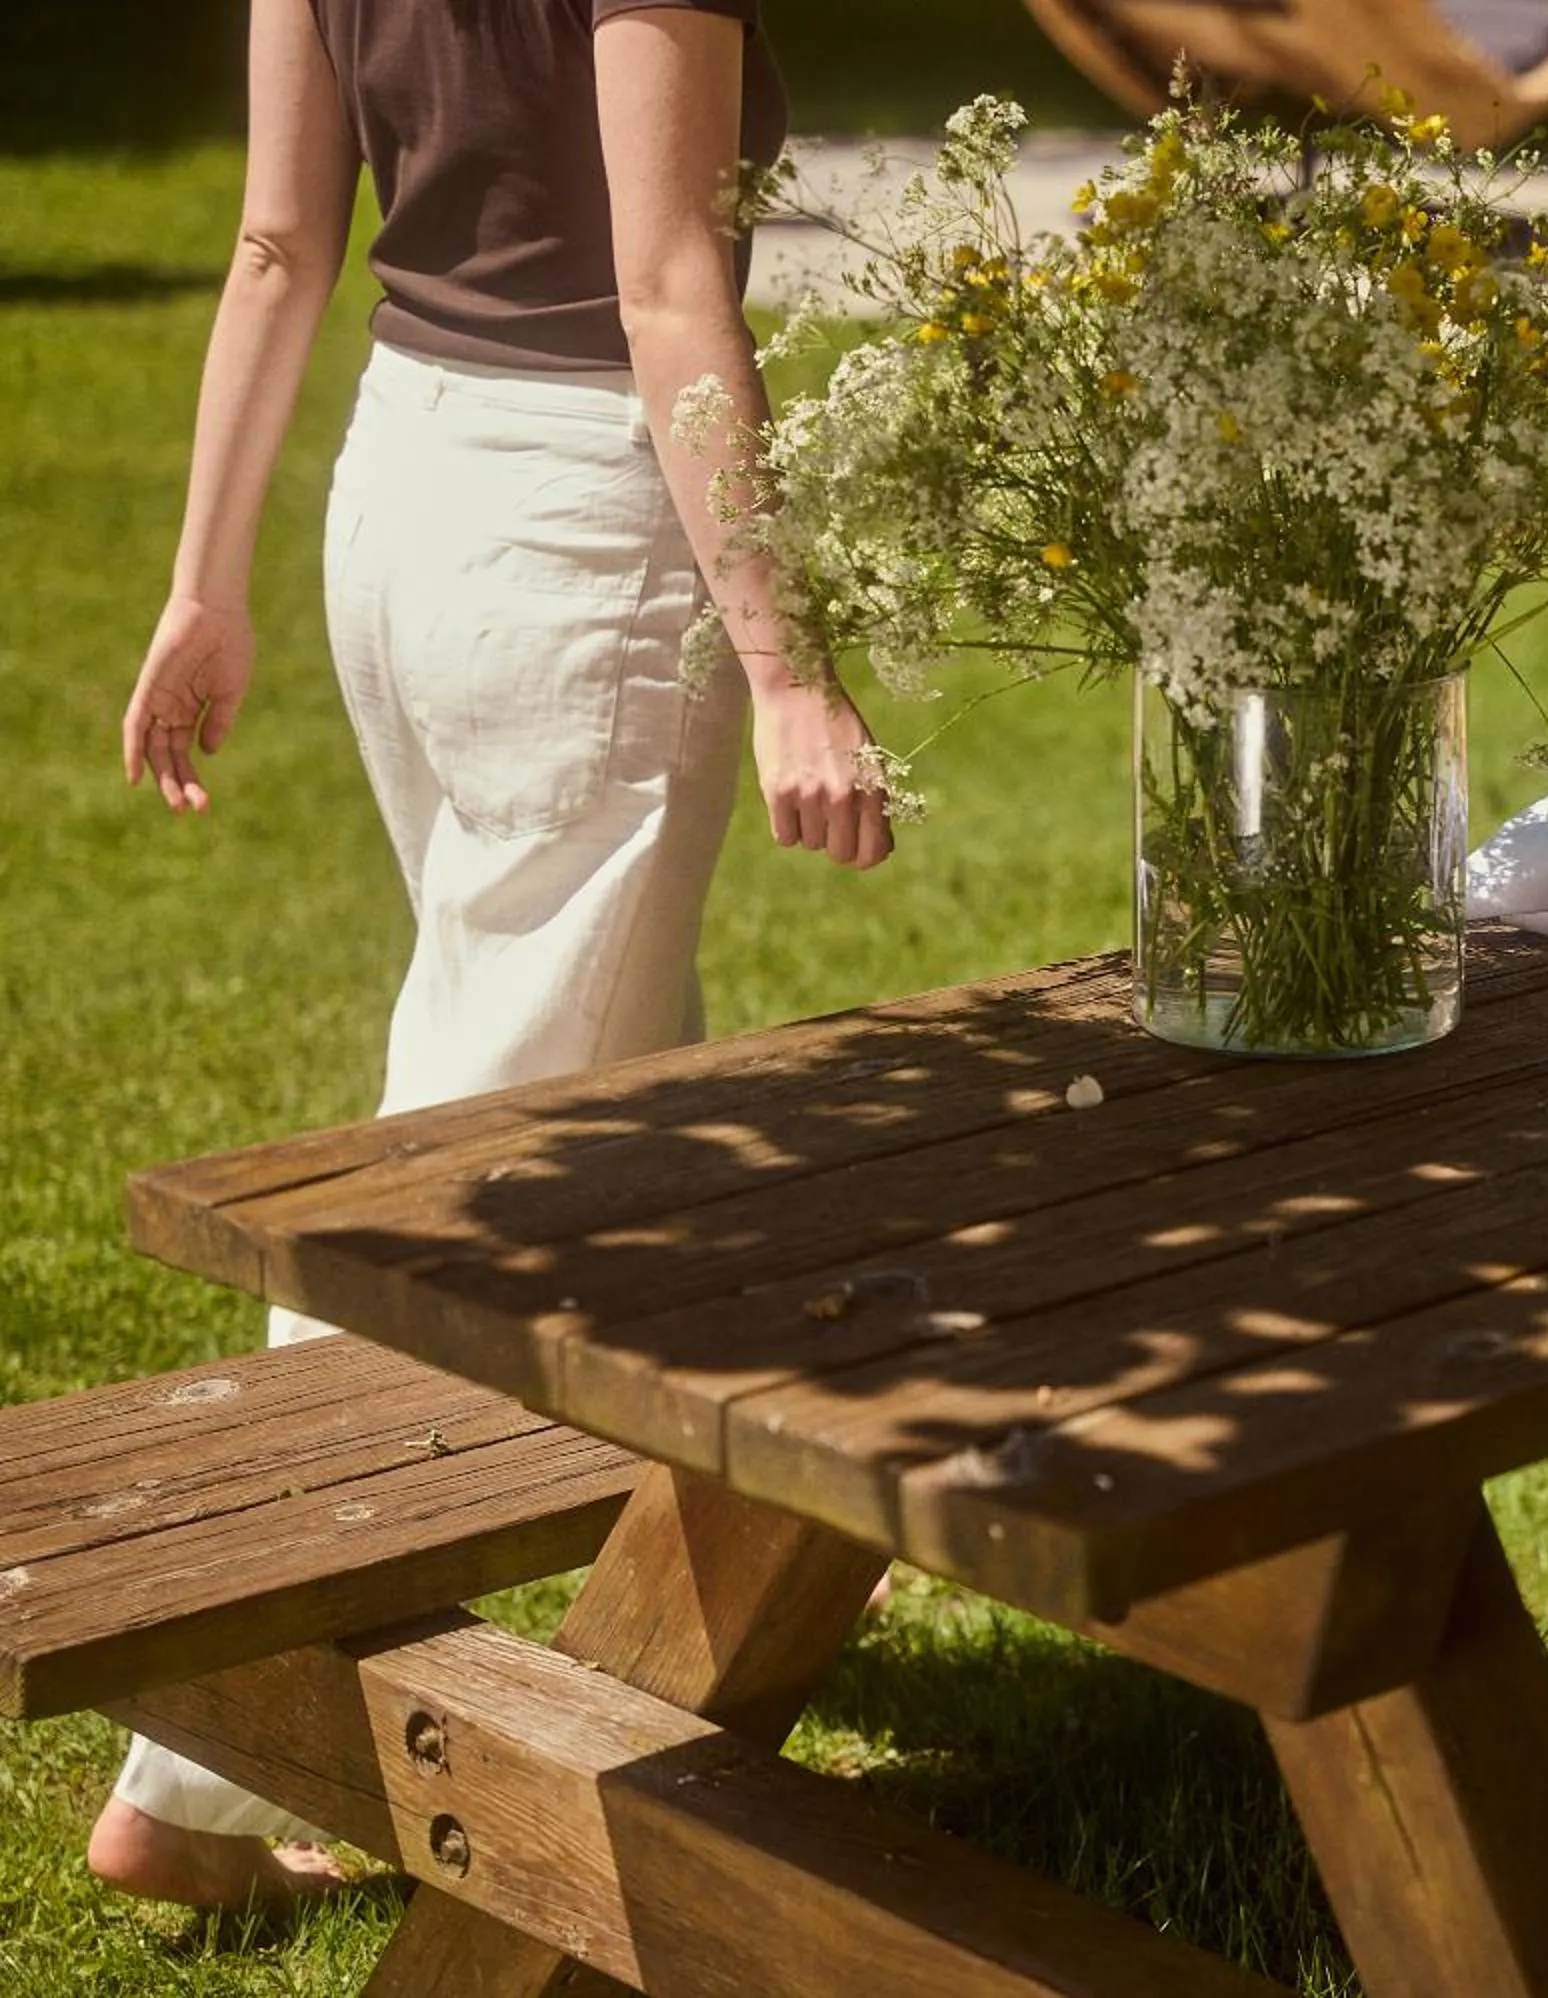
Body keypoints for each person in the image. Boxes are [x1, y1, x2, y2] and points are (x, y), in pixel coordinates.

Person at [100, 0, 891, 1908]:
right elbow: (669, 281)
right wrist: (786, 667)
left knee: (620, 1104)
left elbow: (282, 239)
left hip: (404, 491)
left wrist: (207, 578)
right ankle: (192, 1747)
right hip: (577, 529)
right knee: (449, 1168)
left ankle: (685, 1634)